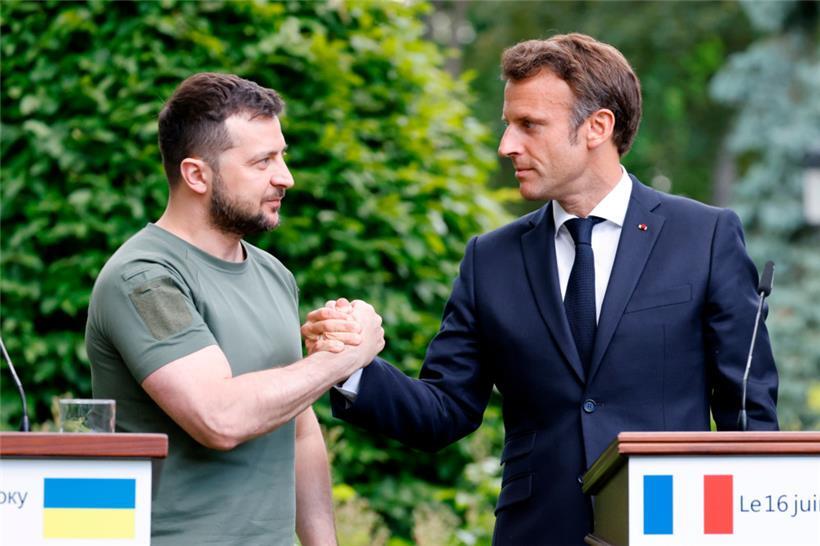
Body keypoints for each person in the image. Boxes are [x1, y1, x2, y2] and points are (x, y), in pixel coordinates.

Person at [302, 34, 779, 545]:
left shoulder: (704, 236)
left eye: (529, 125)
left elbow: (747, 412)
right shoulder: (489, 259)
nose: (507, 144)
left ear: (598, 127)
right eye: (508, 123)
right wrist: (349, 366)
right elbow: (443, 410)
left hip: (671, 528)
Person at [85, 73, 383, 546]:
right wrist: (345, 356)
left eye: (281, 156)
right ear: (196, 175)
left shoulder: (273, 275)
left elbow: (300, 433)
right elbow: (219, 419)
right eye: (263, 161)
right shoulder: (144, 278)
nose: (285, 177)